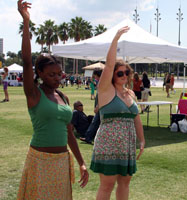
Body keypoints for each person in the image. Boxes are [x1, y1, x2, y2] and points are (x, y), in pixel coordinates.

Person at [17, 1, 89, 199]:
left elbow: (69, 132)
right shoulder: (34, 94)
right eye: (51, 75)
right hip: (40, 160)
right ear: (39, 73)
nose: (57, 78)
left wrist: (81, 161)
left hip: (61, 161)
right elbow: (25, 60)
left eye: (59, 74)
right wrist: (26, 22)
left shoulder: (63, 96)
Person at [90, 26, 145, 200]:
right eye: (119, 72)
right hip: (109, 144)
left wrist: (142, 139)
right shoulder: (105, 90)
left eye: (126, 72)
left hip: (127, 145)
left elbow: (136, 119)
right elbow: (109, 64)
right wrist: (116, 39)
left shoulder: (130, 94)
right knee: (107, 185)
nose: (123, 75)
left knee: (125, 183)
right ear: (112, 75)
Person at [81, 69, 103, 144]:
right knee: (96, 122)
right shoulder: (101, 82)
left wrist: (97, 106)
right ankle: (89, 137)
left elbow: (102, 96)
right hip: (100, 107)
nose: (94, 77)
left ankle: (88, 137)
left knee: (95, 122)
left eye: (95, 76)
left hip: (100, 107)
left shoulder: (102, 83)